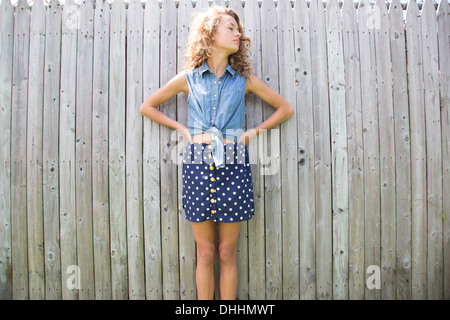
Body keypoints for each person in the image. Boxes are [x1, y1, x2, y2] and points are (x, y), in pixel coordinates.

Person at [139, 6, 294, 300]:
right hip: (197, 163)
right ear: (211, 34)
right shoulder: (189, 78)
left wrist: (250, 134)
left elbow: (285, 109)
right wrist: (184, 131)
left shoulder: (244, 79)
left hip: (234, 163)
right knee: (206, 252)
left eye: (239, 29)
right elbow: (147, 106)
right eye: (231, 28)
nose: (239, 34)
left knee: (226, 251)